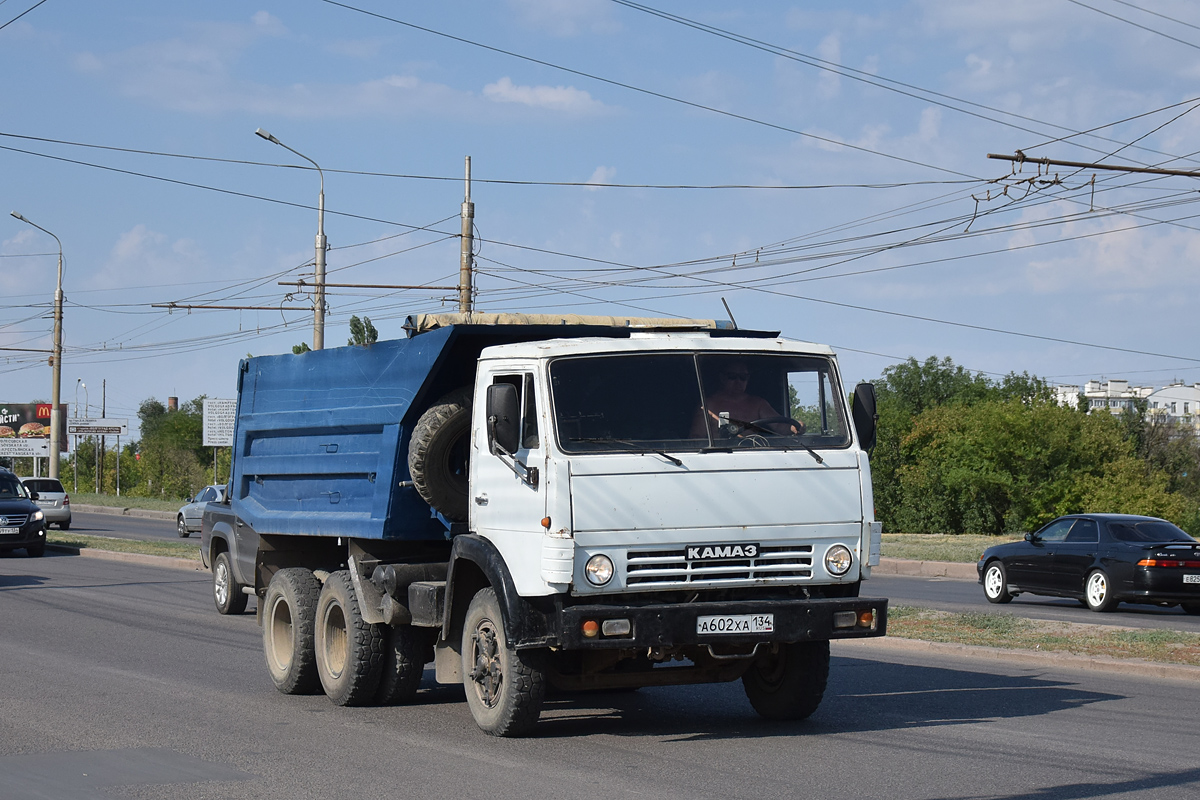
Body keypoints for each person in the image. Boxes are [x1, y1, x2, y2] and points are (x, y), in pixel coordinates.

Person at [689, 361, 802, 438]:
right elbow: (696, 439)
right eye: (732, 377)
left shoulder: (758, 404)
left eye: (743, 377)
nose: (738, 382)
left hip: (754, 455)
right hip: (719, 457)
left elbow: (780, 427)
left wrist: (796, 426)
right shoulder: (708, 405)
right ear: (722, 378)